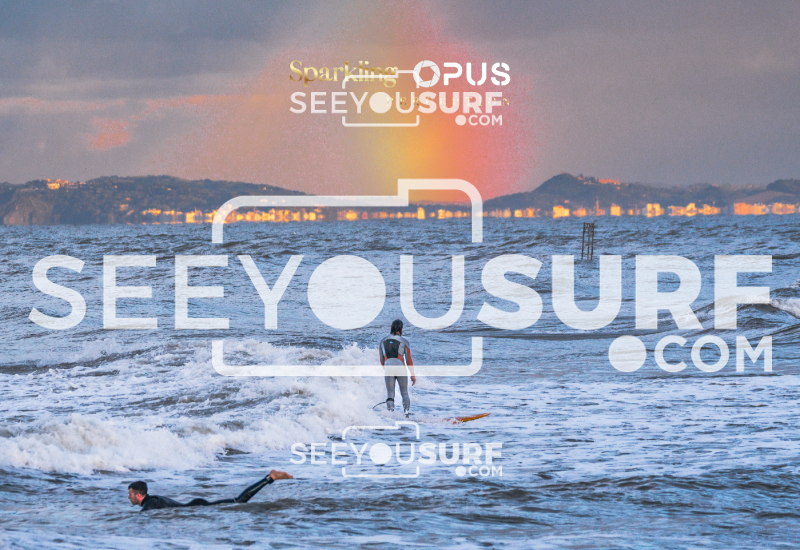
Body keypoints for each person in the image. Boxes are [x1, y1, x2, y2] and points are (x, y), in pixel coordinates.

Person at [128, 470, 292, 511]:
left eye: (130, 494)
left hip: (198, 508)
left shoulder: (150, 504)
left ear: (138, 495)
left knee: (239, 501)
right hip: (196, 506)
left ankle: (270, 477)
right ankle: (269, 477)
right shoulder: (154, 499)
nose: (129, 497)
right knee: (238, 501)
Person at [379, 319, 416, 416]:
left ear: (391, 328)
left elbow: (382, 360)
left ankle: (390, 415)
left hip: (388, 368)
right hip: (400, 368)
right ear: (401, 329)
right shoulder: (404, 341)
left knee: (390, 394)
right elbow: (408, 360)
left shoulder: (382, 341)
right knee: (404, 393)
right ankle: (406, 414)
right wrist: (412, 375)